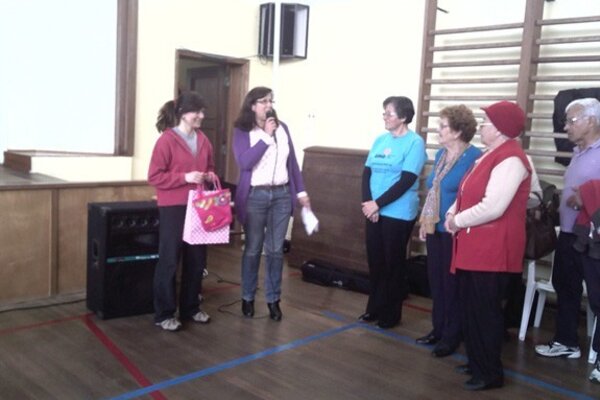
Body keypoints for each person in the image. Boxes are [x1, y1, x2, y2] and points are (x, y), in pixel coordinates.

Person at [445, 101, 531, 391]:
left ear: (500, 129)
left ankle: (489, 372)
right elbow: (465, 193)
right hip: (475, 247)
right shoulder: (488, 155)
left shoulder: (512, 159)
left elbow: (493, 206)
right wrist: (452, 213)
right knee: (471, 308)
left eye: (486, 122)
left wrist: (457, 220)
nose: (481, 126)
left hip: (493, 250)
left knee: (485, 312)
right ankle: (476, 362)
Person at [533, 98, 600, 384]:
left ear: (591, 121)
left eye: (571, 120)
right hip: (570, 233)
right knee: (565, 286)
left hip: (593, 239)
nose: (566, 127)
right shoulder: (578, 152)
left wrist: (585, 199)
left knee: (598, 297)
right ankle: (566, 342)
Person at [232, 86, 310, 321]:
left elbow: (292, 163)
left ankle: (273, 300)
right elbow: (245, 163)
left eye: (270, 101)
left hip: (281, 195)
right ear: (252, 105)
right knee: (253, 248)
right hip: (255, 196)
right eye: (263, 101)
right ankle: (247, 297)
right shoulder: (242, 130)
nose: (268, 105)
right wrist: (265, 136)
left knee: (276, 250)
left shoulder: (282, 128)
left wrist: (301, 192)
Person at [416, 105, 481, 357]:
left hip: (456, 231)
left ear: (457, 131)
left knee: (452, 284)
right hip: (436, 227)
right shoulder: (442, 154)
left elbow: (473, 195)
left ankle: (452, 335)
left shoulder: (474, 157)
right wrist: (426, 222)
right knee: (437, 281)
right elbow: (434, 189)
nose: (438, 130)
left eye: (443, 126)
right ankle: (438, 329)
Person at [148, 92, 215, 332]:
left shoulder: (204, 140)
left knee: (197, 260)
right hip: (173, 207)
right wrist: (184, 177)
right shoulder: (166, 141)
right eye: (197, 111)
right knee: (169, 260)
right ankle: (164, 314)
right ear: (183, 114)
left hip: (199, 206)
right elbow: (154, 176)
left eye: (202, 111)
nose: (201, 116)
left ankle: (191, 308)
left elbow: (210, 168)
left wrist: (209, 175)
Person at [359, 96, 426, 329]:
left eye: (389, 113)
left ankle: (391, 313)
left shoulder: (415, 143)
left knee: (392, 263)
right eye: (384, 113)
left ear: (404, 117)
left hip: (398, 213)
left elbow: (406, 180)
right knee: (376, 261)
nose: (385, 117)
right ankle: (374, 308)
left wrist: (378, 204)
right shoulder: (380, 140)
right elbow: (367, 173)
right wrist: (368, 204)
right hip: (373, 210)